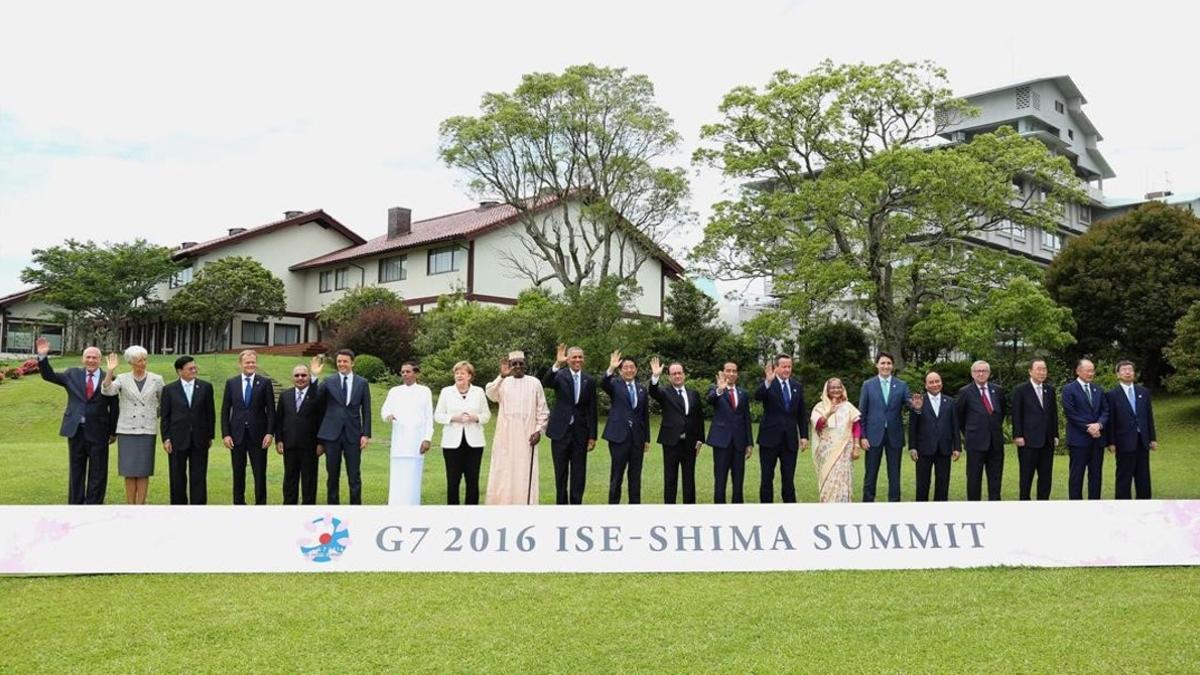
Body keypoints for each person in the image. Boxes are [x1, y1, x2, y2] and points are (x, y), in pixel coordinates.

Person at [34, 336, 117, 504]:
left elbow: (115, 407)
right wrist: (42, 357)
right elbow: (49, 376)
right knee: (76, 470)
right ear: (82, 359)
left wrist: (113, 431)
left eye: (95, 357)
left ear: (100, 360)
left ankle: (93, 504)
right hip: (76, 430)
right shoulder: (72, 374)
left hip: (99, 432)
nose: (91, 360)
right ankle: (75, 505)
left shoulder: (109, 378)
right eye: (88, 357)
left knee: (98, 471)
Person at [101, 345, 166, 505]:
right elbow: (107, 391)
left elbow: (165, 403)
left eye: (144, 359)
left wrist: (153, 414)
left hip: (147, 430)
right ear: (131, 362)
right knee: (129, 470)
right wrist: (110, 371)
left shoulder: (157, 379)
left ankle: (141, 505)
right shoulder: (122, 378)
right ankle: (130, 505)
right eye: (138, 360)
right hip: (127, 430)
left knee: (144, 470)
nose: (142, 363)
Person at [485, 351, 549, 505]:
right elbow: (491, 394)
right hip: (505, 434)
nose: (518, 366)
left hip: (527, 434)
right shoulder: (503, 382)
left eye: (521, 363)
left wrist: (538, 430)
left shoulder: (534, 382)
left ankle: (525, 503)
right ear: (510, 365)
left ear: (525, 365)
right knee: (503, 469)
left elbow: (542, 409)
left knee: (525, 470)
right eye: (514, 363)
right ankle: (502, 503)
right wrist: (501, 376)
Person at [541, 344, 597, 504]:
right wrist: (557, 364)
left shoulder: (589, 380)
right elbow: (546, 382)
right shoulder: (559, 375)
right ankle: (561, 505)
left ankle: (576, 505)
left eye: (580, 357)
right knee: (561, 471)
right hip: (560, 432)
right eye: (574, 357)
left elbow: (592, 409)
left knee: (579, 472)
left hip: (581, 432)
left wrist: (592, 436)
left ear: (583, 359)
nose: (577, 360)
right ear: (568, 359)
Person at [317, 349, 372, 505]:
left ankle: (355, 507)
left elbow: (366, 410)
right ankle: (333, 507)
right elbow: (315, 399)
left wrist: (366, 434)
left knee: (354, 475)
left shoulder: (362, 383)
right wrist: (314, 377)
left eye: (345, 361)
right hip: (331, 435)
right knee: (332, 475)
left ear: (352, 363)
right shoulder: (328, 381)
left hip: (353, 435)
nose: (341, 364)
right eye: (339, 361)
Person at [221, 349, 276, 505]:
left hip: (259, 436)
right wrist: (226, 434)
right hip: (236, 435)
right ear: (241, 364)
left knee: (259, 473)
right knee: (238, 472)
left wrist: (269, 433)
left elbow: (271, 411)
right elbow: (225, 410)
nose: (251, 365)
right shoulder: (231, 383)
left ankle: (260, 504)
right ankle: (239, 503)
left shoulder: (265, 383)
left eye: (253, 362)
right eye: (247, 362)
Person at [648, 357, 705, 504]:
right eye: (674, 374)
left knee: (689, 478)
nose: (677, 376)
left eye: (680, 373)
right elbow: (653, 391)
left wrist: (700, 440)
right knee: (670, 478)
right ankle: (670, 509)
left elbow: (699, 417)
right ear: (669, 377)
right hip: (671, 442)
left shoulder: (693, 394)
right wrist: (655, 376)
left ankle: (689, 508)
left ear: (684, 374)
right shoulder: (665, 393)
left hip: (690, 443)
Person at [160, 355, 216, 505]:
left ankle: (198, 506)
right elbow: (165, 416)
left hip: (200, 438)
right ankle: (178, 506)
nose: (194, 370)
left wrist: (210, 435)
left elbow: (210, 413)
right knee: (177, 475)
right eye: (190, 368)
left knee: (199, 475)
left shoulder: (205, 387)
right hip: (177, 439)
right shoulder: (169, 389)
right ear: (180, 371)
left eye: (195, 367)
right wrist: (166, 438)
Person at [434, 361, 491, 505]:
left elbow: (487, 415)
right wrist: (453, 418)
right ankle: (453, 511)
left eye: (462, 373)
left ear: (469, 376)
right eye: (456, 373)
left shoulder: (478, 391)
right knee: (453, 480)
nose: (459, 375)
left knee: (472, 479)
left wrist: (475, 418)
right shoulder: (446, 391)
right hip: (452, 443)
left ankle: (471, 512)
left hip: (475, 443)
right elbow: (438, 415)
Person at [858, 352, 911, 502]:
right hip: (873, 436)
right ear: (877, 365)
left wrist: (917, 405)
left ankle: (894, 503)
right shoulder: (868, 385)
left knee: (894, 473)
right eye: (883, 363)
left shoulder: (901, 385)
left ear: (892, 366)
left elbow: (910, 404)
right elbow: (862, 412)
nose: (886, 366)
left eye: (888, 363)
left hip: (894, 435)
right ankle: (868, 502)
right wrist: (863, 436)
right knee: (871, 472)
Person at [755, 354, 808, 503]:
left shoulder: (797, 386)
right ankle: (767, 508)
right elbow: (757, 396)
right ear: (776, 367)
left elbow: (801, 413)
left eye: (789, 366)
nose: (787, 369)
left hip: (789, 441)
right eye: (784, 366)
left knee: (788, 477)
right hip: (769, 439)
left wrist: (804, 436)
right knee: (767, 477)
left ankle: (789, 508)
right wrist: (767, 381)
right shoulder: (769, 383)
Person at [273, 358, 326, 505]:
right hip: (289, 445)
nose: (300, 378)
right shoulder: (285, 395)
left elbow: (322, 419)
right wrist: (279, 440)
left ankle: (307, 508)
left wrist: (321, 443)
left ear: (309, 377)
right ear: (292, 378)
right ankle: (289, 507)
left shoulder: (316, 395)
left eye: (304, 375)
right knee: (290, 479)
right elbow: (279, 420)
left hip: (310, 446)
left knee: (309, 480)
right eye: (297, 375)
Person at [381, 362, 434, 506]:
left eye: (408, 371)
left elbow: (429, 417)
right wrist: (388, 416)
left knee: (413, 476)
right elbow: (384, 410)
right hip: (399, 441)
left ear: (415, 373)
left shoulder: (425, 391)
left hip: (417, 441)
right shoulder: (394, 391)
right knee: (398, 476)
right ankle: (395, 504)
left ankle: (412, 505)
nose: (405, 374)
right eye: (402, 372)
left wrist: (427, 438)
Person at [601, 351, 651, 504]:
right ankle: (613, 506)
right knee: (617, 474)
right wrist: (610, 368)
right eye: (626, 367)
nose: (629, 370)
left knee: (635, 475)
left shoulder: (642, 389)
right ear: (621, 370)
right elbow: (604, 383)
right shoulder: (615, 385)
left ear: (636, 370)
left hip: (637, 438)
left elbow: (644, 416)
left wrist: (646, 439)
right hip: (618, 437)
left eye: (632, 367)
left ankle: (634, 506)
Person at [955, 360, 1007, 501]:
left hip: (995, 443)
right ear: (972, 374)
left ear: (989, 373)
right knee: (974, 478)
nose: (981, 373)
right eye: (978, 371)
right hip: (975, 443)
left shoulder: (998, 390)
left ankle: (994, 505)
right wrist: (969, 433)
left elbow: (1001, 413)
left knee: (995, 478)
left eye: (984, 371)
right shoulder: (965, 392)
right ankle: (974, 507)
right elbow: (959, 417)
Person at [1106, 360, 1158, 499]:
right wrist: (1110, 442)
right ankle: (1123, 507)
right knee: (1124, 477)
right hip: (1123, 442)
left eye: (1130, 369)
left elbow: (1148, 417)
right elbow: (1110, 421)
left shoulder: (1144, 392)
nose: (1127, 372)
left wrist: (1152, 438)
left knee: (1143, 477)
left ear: (1134, 373)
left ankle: (1145, 504)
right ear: (1118, 374)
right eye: (1124, 370)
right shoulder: (1112, 395)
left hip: (1142, 441)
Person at [1010, 358, 1059, 500]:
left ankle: (1043, 502)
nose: (1042, 372)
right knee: (1026, 475)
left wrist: (1055, 434)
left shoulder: (1050, 390)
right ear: (1030, 371)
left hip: (1047, 440)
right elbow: (1016, 414)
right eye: (1038, 369)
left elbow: (1053, 414)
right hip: (1028, 441)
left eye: (1044, 369)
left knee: (1046, 475)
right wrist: (1017, 435)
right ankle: (1024, 502)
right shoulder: (1020, 390)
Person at [1061, 358, 1109, 500]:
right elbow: (1071, 413)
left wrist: (1099, 425)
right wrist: (1088, 427)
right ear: (1078, 371)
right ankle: (1076, 505)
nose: (1090, 373)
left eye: (1092, 370)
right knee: (1077, 475)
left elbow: (1105, 411)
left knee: (1096, 475)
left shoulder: (1098, 389)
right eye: (1087, 370)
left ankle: (1095, 504)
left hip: (1097, 441)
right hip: (1079, 440)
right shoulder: (1069, 389)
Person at [907, 371, 959, 502]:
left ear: (941, 382)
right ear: (926, 385)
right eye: (931, 382)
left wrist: (957, 447)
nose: (935, 384)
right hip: (924, 449)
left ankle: (940, 513)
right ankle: (921, 513)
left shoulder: (950, 401)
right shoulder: (919, 401)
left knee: (943, 483)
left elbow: (955, 426)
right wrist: (912, 447)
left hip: (944, 448)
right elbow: (912, 426)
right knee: (922, 484)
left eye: (937, 381)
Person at [706, 361, 754, 504]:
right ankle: (719, 510)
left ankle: (737, 510)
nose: (731, 373)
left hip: (739, 443)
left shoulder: (743, 394)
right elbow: (710, 400)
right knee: (720, 479)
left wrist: (749, 443)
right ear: (723, 372)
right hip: (721, 442)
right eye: (728, 370)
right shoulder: (715, 390)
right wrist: (720, 390)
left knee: (738, 480)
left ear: (737, 374)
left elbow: (746, 418)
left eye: (734, 371)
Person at [809, 378, 862, 503]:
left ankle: (844, 505)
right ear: (827, 390)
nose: (836, 390)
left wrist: (856, 446)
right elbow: (818, 426)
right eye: (832, 387)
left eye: (838, 387)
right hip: (827, 451)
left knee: (843, 478)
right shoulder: (820, 407)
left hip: (844, 449)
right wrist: (828, 413)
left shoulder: (848, 406)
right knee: (828, 478)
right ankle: (827, 504)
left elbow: (856, 426)